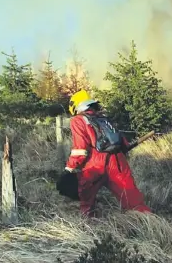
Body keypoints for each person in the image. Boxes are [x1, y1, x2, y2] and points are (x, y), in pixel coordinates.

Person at [64, 89, 151, 217]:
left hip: (94, 165)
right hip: (117, 161)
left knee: (87, 200)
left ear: (76, 106)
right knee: (131, 197)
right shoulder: (104, 118)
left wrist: (69, 168)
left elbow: (80, 150)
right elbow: (123, 143)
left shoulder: (77, 120)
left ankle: (88, 229)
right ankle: (148, 223)